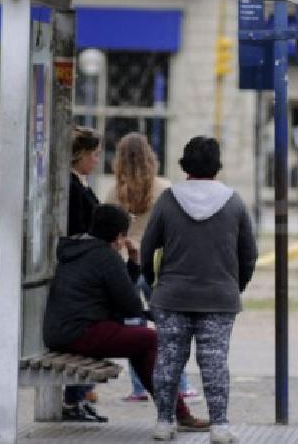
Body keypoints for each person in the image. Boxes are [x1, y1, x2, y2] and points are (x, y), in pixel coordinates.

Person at [42, 204, 210, 430]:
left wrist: (129, 267)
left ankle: (175, 413)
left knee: (142, 345)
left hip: (60, 332)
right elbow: (130, 305)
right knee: (150, 339)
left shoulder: (77, 251)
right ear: (120, 236)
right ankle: (177, 414)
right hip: (80, 332)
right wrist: (134, 263)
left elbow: (122, 301)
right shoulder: (105, 257)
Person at [141, 136, 258, 442]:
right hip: (219, 296)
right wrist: (236, 285)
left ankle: (164, 423)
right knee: (215, 362)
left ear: (185, 164)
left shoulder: (168, 200)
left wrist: (154, 283)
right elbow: (249, 254)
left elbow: (147, 247)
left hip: (172, 296)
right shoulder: (234, 202)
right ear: (217, 164)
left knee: (168, 360)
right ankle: (219, 426)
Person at [102, 132, 197, 403]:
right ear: (150, 157)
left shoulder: (113, 192)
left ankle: (140, 386)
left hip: (127, 267)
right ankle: (181, 384)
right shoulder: (164, 188)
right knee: (168, 328)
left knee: (134, 328)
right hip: (157, 266)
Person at [63, 125, 103, 421]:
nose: (98, 160)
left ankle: (80, 393)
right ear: (82, 155)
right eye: (95, 154)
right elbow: (78, 227)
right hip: (80, 270)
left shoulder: (82, 183)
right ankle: (74, 397)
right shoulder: (72, 187)